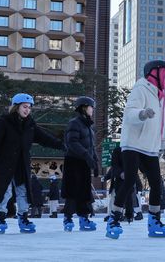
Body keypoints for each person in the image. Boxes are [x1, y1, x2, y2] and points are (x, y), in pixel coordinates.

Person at [0, 93, 64, 234]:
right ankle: (0, 217)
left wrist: (62, 145)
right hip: (4, 164)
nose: (27, 110)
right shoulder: (4, 122)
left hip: (21, 165)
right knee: (6, 192)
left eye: (29, 107)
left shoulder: (30, 125)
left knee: (23, 192)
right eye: (24, 107)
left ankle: (23, 217)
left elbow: (45, 138)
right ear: (16, 107)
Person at [106, 60, 165, 239]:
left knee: (156, 183)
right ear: (154, 73)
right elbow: (130, 113)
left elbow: (162, 124)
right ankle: (113, 219)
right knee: (129, 181)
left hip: (150, 146)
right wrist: (142, 114)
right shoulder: (140, 88)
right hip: (133, 144)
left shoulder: (161, 96)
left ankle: (154, 221)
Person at [62, 96, 99, 232]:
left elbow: (92, 146)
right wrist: (86, 155)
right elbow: (72, 143)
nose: (92, 110)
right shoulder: (74, 123)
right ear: (84, 108)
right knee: (73, 190)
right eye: (91, 107)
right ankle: (68, 218)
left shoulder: (89, 126)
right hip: (73, 161)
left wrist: (95, 161)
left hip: (84, 162)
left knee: (84, 191)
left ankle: (84, 217)